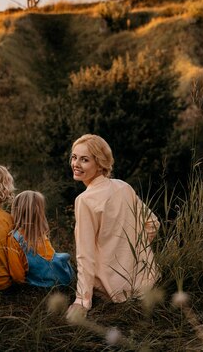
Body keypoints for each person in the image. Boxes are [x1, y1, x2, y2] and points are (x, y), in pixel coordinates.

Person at [66, 134, 160, 319]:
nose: (76, 164)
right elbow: (153, 224)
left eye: (84, 159)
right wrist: (129, 255)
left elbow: (85, 255)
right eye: (74, 157)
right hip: (146, 281)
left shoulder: (84, 200)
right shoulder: (123, 186)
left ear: (100, 164)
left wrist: (82, 301)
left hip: (113, 290)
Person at [8, 190, 74, 288]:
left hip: (41, 284)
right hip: (64, 278)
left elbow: (17, 276)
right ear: (40, 213)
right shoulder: (41, 234)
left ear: (16, 211)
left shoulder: (14, 238)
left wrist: (21, 286)